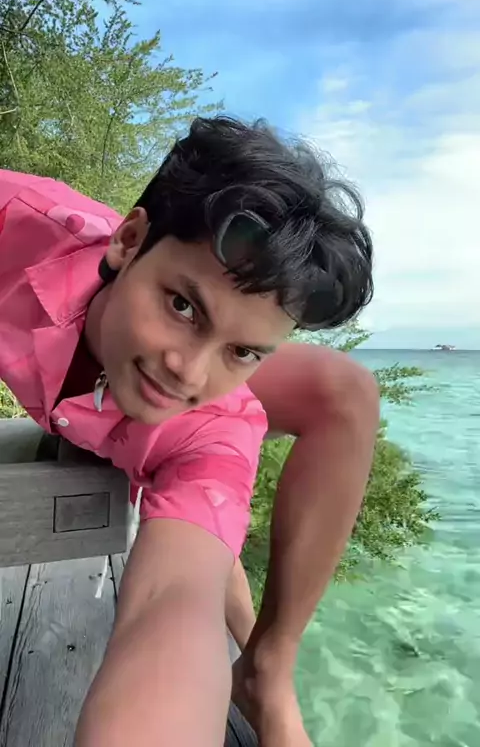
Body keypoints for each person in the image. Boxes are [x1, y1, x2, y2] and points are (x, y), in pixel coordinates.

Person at [0, 116, 379, 747]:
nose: (189, 372)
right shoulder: (17, 223)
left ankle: (266, 668)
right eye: (183, 306)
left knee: (329, 404)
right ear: (128, 241)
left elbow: (174, 600)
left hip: (162, 425)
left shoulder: (218, 416)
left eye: (245, 351)